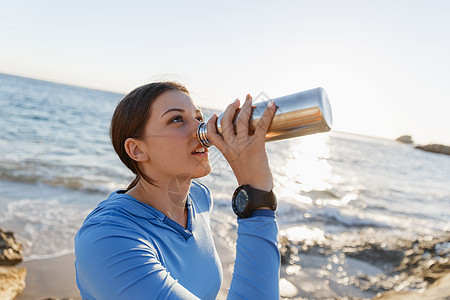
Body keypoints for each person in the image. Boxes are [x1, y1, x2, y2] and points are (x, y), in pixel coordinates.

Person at [74, 81, 280, 299]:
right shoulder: (107, 239)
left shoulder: (199, 198)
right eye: (177, 119)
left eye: (199, 118)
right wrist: (256, 195)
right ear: (137, 149)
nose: (202, 131)